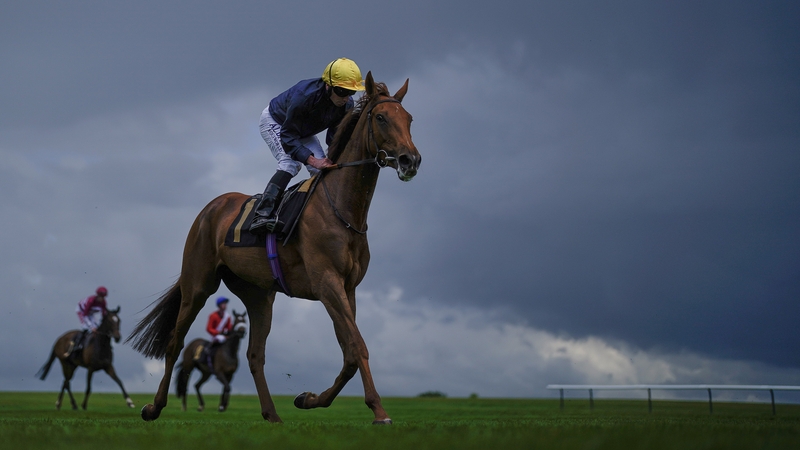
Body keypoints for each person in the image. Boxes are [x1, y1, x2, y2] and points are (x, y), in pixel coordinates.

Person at [249, 57, 366, 232]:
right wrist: (312, 160)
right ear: (328, 85)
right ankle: (262, 214)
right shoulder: (304, 96)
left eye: (351, 92)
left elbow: (333, 139)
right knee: (290, 164)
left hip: (302, 131)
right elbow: (287, 136)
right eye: (342, 91)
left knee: (322, 170)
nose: (346, 98)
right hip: (277, 123)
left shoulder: (345, 105)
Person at [65, 286, 109, 357]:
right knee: (85, 327)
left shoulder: (104, 302)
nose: (101, 299)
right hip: (82, 312)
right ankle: (77, 345)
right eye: (100, 296)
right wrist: (91, 327)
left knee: (97, 327)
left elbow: (103, 315)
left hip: (90, 313)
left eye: (103, 297)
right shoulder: (91, 301)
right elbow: (85, 315)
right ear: (97, 295)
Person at [199, 297, 233, 365]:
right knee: (217, 341)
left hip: (224, 336)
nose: (225, 305)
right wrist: (218, 333)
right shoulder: (213, 315)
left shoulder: (227, 316)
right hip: (215, 336)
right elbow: (209, 328)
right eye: (223, 304)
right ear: (219, 305)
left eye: (225, 304)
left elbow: (229, 327)